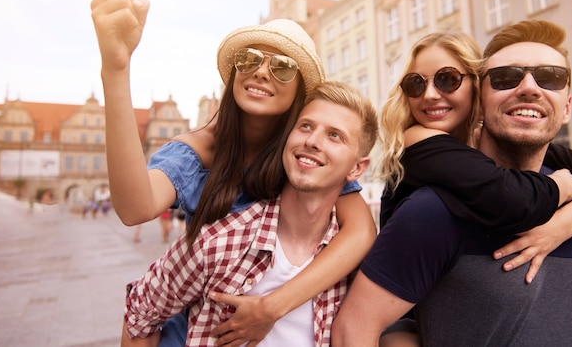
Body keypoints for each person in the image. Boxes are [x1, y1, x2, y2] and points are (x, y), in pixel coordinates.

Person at [74, 0, 377, 346]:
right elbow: (134, 208)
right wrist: (116, 69)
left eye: (283, 66)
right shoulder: (201, 151)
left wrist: (272, 308)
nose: (262, 72)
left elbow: (360, 232)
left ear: (301, 95)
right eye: (249, 59)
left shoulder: (304, 153)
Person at [332, 20, 572, 346]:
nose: (529, 88)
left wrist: (563, 223)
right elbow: (355, 329)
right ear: (484, 96)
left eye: (550, 77)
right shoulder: (432, 203)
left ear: (566, 107)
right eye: (506, 77)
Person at [121, 81, 379, 346]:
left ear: (357, 169)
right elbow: (140, 315)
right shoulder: (218, 242)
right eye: (306, 126)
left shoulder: (359, 266)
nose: (312, 141)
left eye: (334, 135)